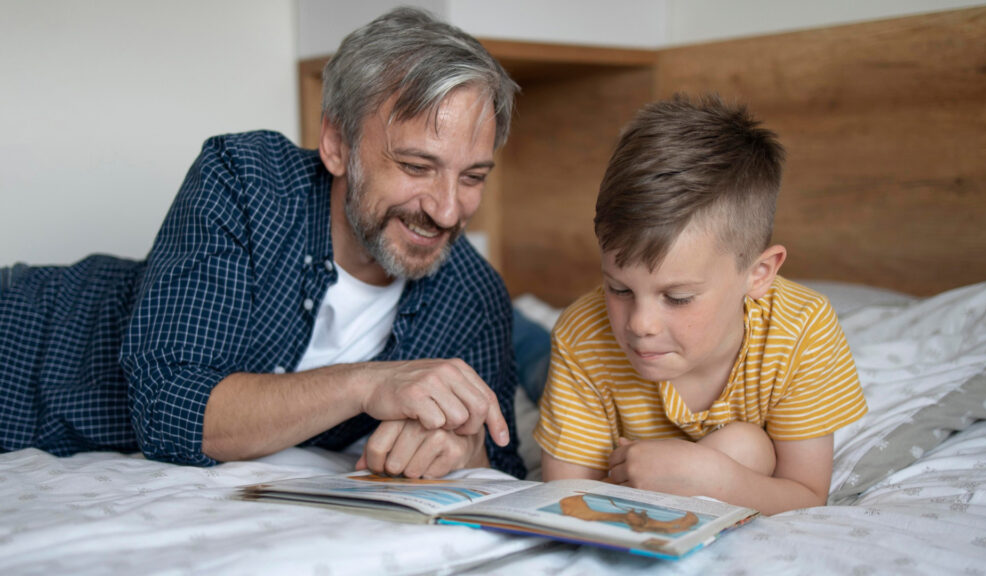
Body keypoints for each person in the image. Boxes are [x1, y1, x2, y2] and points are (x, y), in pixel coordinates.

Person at [0, 7, 526, 480]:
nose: (448, 210)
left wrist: (462, 449)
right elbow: (169, 409)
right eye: (416, 167)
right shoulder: (245, 181)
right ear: (338, 145)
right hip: (22, 342)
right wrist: (367, 384)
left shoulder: (474, 299)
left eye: (474, 177)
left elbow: (501, 462)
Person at [534, 93, 867, 514]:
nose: (641, 325)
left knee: (746, 446)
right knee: (529, 356)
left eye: (678, 297)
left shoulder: (803, 327)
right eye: (619, 289)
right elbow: (562, 499)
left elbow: (807, 493)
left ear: (758, 274)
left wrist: (710, 478)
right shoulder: (583, 333)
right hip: (565, 378)